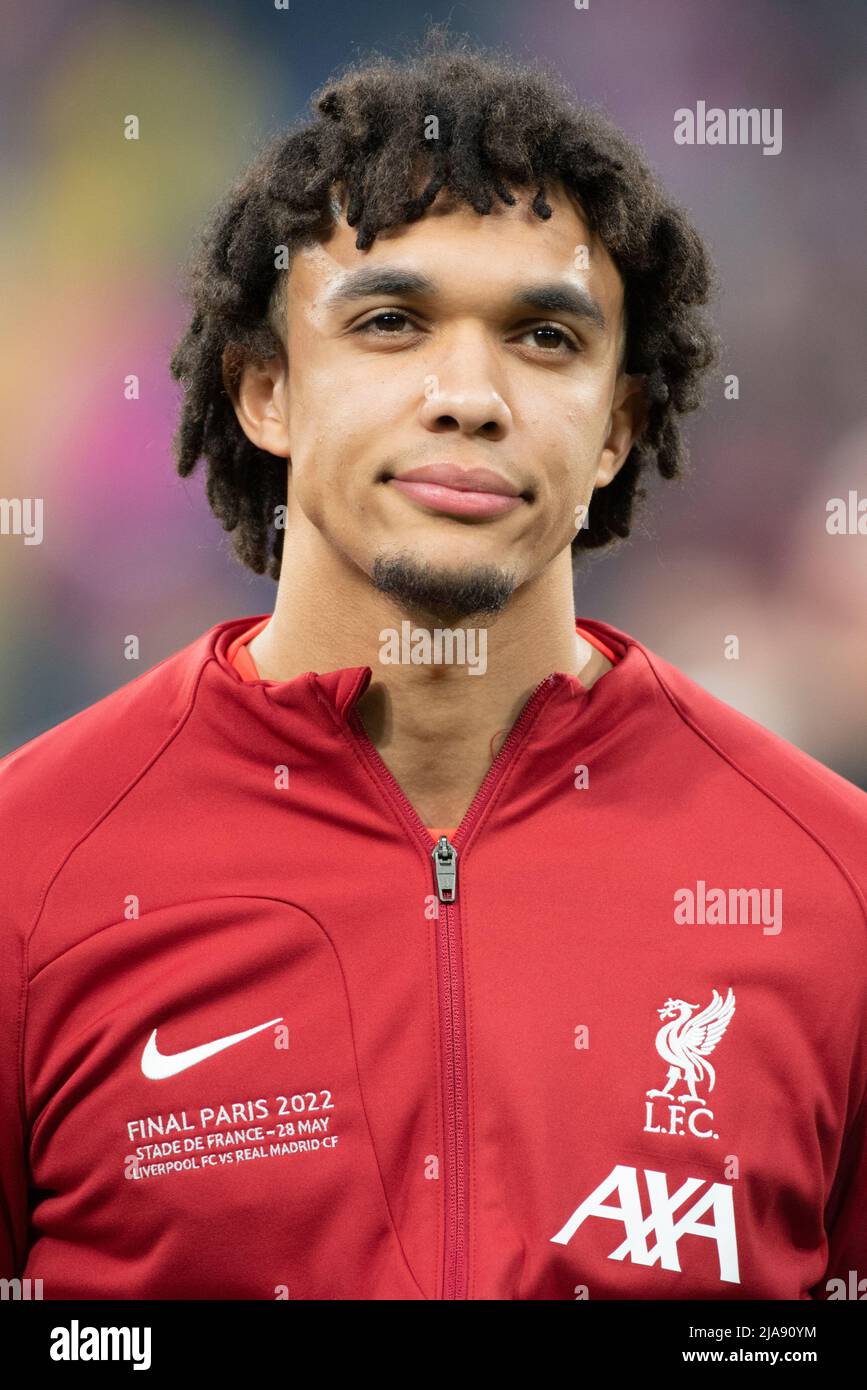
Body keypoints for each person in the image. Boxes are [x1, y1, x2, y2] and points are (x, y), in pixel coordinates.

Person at [1, 33, 865, 1301]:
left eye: (546, 337)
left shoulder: (834, 886)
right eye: (392, 323)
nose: (469, 393)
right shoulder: (28, 869)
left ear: (619, 425)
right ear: (264, 390)